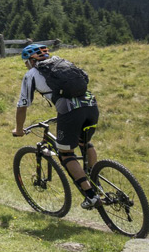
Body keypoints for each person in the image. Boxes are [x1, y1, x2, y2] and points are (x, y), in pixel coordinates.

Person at [12, 43, 101, 209]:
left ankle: (91, 196)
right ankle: (96, 181)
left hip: (70, 112)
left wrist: (18, 129)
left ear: (31, 60)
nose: (25, 65)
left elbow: (22, 105)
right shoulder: (62, 62)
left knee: (66, 154)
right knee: (84, 142)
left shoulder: (31, 74)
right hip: (91, 106)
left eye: (25, 62)